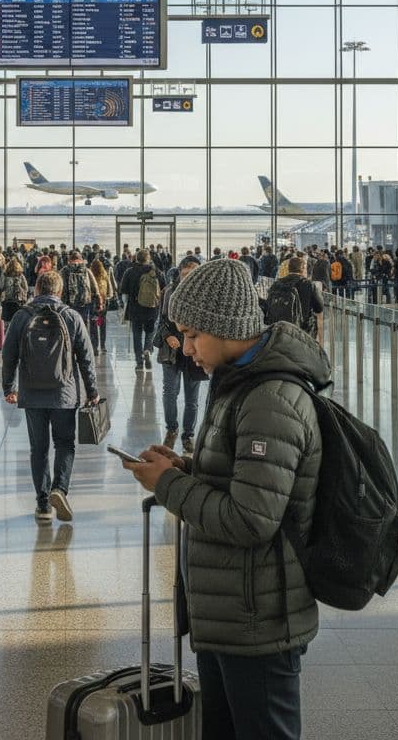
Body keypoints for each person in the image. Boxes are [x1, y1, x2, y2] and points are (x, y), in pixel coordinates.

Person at [123, 258, 330, 740]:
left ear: (226, 326)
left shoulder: (270, 398)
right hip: (229, 612)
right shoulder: (238, 382)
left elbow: (250, 519)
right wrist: (185, 469)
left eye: (193, 335)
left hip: (258, 621)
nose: (185, 346)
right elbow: (244, 478)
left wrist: (167, 486)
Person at [2, 269, 98, 523]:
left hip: (32, 393)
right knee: (65, 444)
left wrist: (8, 387)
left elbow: (8, 354)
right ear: (60, 291)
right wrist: (92, 391)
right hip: (64, 393)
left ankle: (43, 504)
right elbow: (86, 358)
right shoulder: (71, 316)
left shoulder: (22, 316)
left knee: (39, 448)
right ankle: (60, 489)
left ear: (36, 289)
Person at [154, 254, 206, 453]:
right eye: (186, 274)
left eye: (194, 273)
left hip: (194, 351)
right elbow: (162, 321)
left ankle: (188, 435)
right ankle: (172, 429)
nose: (190, 278)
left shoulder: (203, 294)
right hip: (172, 351)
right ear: (180, 273)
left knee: (192, 398)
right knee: (170, 392)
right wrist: (168, 336)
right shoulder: (170, 291)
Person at [120, 248, 165, 372]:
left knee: (137, 334)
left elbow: (124, 293)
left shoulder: (130, 272)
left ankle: (139, 362)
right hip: (152, 309)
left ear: (136, 258)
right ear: (148, 259)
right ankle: (147, 350)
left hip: (135, 309)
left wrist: (125, 306)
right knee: (150, 332)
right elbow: (164, 290)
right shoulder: (156, 272)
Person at [265, 255, 323, 342]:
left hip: (278, 330)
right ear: (303, 269)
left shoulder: (277, 284)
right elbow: (319, 308)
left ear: (289, 269)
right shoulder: (308, 284)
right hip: (302, 331)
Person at [61, 249, 100, 336]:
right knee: (84, 325)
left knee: (69, 325)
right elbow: (95, 288)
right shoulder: (86, 270)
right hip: (84, 303)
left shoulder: (64, 271)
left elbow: (60, 287)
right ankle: (83, 341)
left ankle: (71, 345)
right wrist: (98, 303)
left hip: (68, 304)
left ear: (69, 260)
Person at [89, 254, 115, 356]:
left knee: (94, 324)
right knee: (102, 324)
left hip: (93, 303)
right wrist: (108, 296)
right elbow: (110, 290)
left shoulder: (90, 275)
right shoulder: (104, 274)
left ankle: (95, 347)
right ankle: (103, 346)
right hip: (103, 303)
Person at [0, 256, 29, 323]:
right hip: (19, 301)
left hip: (7, 300)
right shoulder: (20, 275)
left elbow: (0, 286)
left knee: (7, 321)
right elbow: (26, 288)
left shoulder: (5, 275)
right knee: (18, 321)